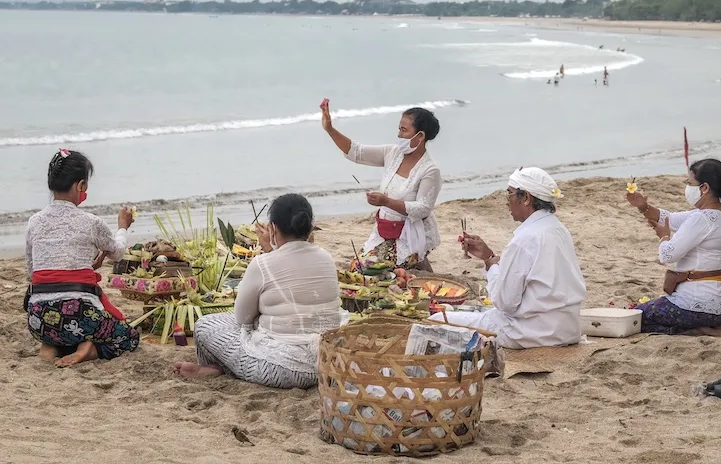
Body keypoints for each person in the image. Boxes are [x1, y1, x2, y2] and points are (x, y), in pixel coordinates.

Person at [175, 194, 346, 387]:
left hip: (284, 370)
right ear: (310, 225)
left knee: (205, 325)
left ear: (272, 228)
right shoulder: (326, 257)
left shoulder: (262, 264)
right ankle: (221, 369)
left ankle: (218, 367)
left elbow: (242, 318)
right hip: (327, 362)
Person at [431, 167, 587, 349]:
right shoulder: (559, 229)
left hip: (531, 333)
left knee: (436, 320)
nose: (507, 202)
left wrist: (492, 265)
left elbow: (505, 303)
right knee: (475, 314)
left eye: (509, 194)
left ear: (526, 198)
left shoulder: (525, 239)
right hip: (567, 329)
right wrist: (489, 258)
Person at [25, 149, 138, 367]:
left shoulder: (34, 222)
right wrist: (123, 227)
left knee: (62, 326)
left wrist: (84, 266)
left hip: (38, 320)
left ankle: (51, 344)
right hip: (80, 315)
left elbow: (34, 273)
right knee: (128, 337)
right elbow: (117, 252)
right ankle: (90, 350)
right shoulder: (91, 222)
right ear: (81, 186)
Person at [320, 99, 442, 271]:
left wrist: (386, 202)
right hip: (384, 229)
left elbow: (423, 209)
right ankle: (419, 266)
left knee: (373, 271)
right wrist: (330, 130)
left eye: (404, 130)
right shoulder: (393, 153)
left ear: (420, 136)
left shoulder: (430, 170)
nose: (399, 135)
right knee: (359, 268)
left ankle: (418, 260)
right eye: (399, 129)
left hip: (409, 233)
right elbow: (357, 152)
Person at [626, 159, 721, 336]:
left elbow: (668, 255)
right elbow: (668, 218)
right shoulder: (720, 215)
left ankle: (695, 330)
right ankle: (703, 328)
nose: (687, 187)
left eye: (689, 183)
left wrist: (663, 237)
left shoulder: (700, 219)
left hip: (697, 308)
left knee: (636, 317)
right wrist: (643, 207)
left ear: (705, 188)